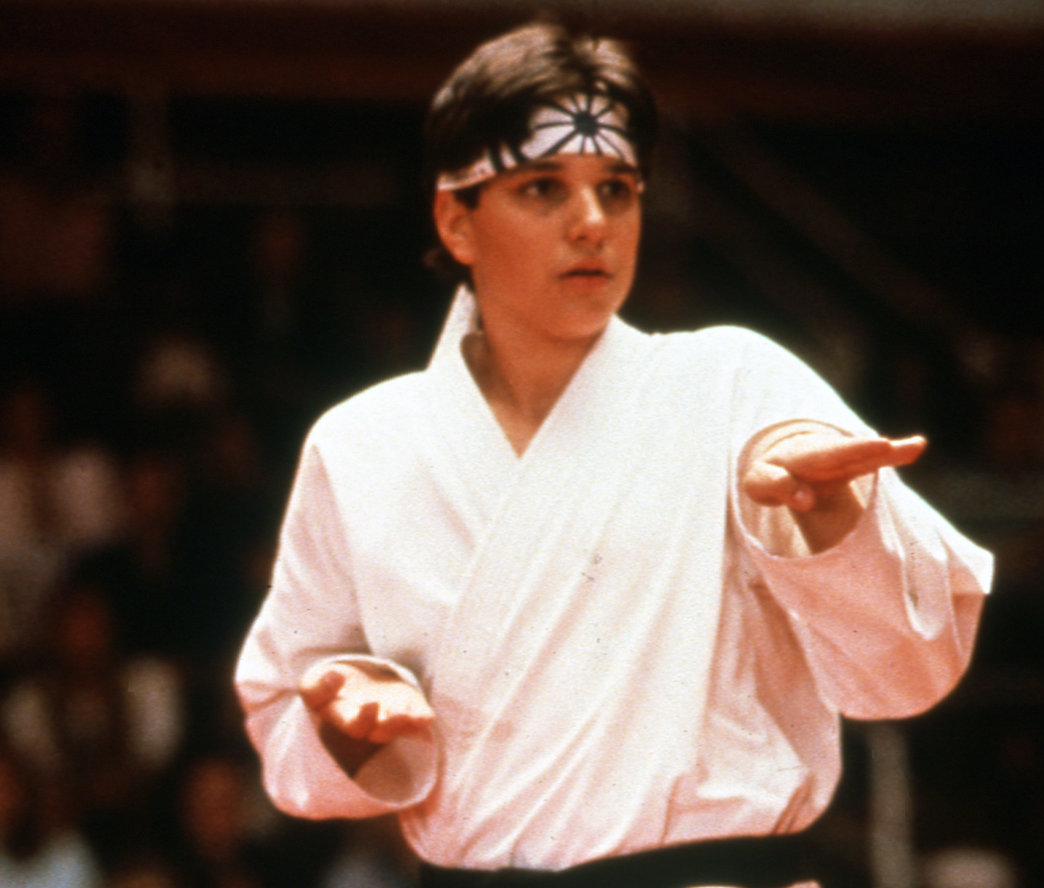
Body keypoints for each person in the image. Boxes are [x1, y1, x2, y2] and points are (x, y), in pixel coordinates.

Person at [234, 19, 993, 888]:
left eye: (617, 189)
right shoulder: (362, 445)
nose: (592, 223)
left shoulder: (734, 385)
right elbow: (280, 719)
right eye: (543, 189)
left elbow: (907, 677)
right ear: (456, 220)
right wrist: (351, 723)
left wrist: (829, 527)